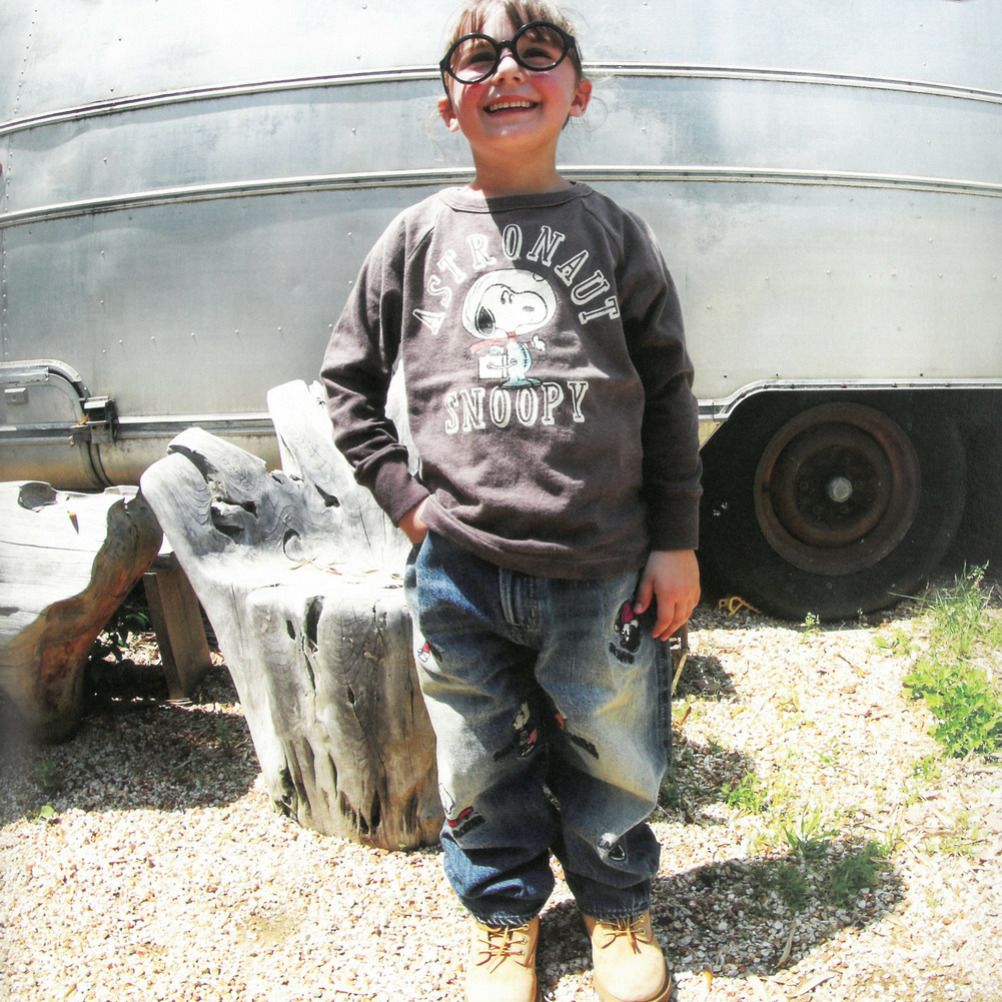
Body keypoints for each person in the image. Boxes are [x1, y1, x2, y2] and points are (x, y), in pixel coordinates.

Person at [320, 3, 702, 1000]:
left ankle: (616, 905)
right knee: (478, 755)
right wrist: (405, 499)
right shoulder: (413, 239)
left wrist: (677, 541)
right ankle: (503, 916)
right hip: (459, 570)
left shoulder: (614, 234)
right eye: (477, 57)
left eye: (537, 53)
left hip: (602, 566)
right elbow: (345, 385)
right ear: (446, 104)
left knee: (614, 748)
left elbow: (668, 394)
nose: (506, 72)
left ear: (580, 93)